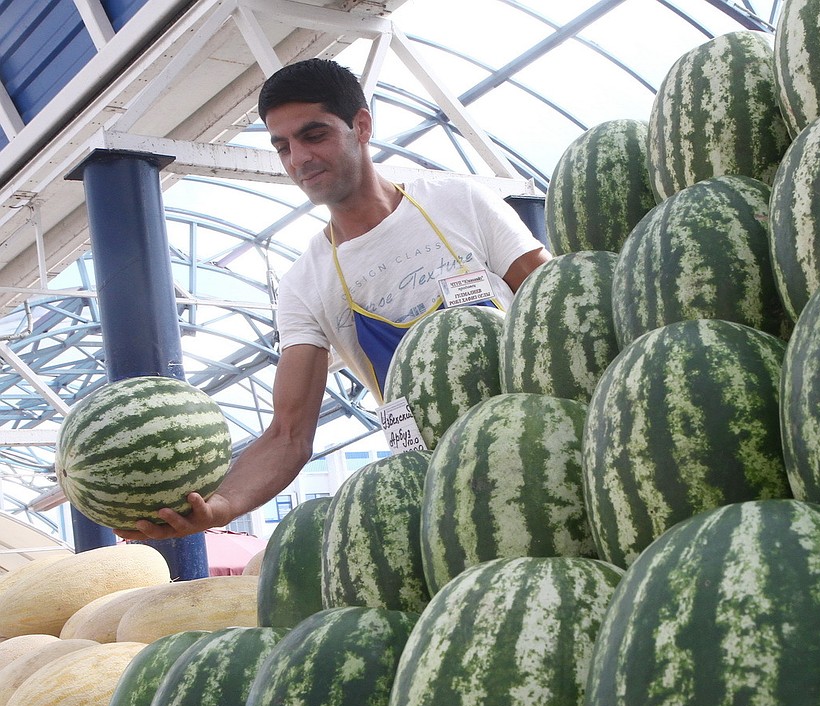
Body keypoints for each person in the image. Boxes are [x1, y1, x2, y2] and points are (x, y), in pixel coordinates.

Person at [116, 58, 550, 541]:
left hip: (539, 441)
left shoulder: (460, 201)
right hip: (442, 485)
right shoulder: (307, 282)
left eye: (314, 135)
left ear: (361, 125)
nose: (298, 158)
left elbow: (551, 305)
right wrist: (220, 507)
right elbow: (288, 434)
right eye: (282, 146)